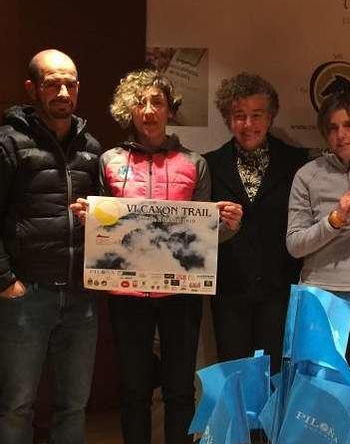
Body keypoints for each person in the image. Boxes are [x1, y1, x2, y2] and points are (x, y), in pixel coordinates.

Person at [71, 69, 242, 444]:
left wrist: (229, 224)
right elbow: (103, 231)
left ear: (170, 110)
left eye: (157, 102)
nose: (148, 110)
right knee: (133, 391)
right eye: (140, 102)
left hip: (180, 294)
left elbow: (206, 237)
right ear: (128, 110)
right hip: (127, 294)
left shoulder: (194, 164)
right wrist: (89, 219)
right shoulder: (109, 161)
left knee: (180, 389)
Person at [0, 49, 101, 443]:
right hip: (25, 295)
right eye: (52, 83)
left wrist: (95, 216)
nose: (63, 91)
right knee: (16, 405)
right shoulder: (8, 143)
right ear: (32, 88)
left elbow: (106, 218)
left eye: (70, 84)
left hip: (81, 296)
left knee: (74, 405)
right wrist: (6, 279)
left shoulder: (91, 146)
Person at [286, 92, 350, 389]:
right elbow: (295, 245)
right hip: (321, 298)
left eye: (348, 125)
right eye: (332, 127)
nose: (341, 134)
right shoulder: (306, 175)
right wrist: (336, 219)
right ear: (324, 132)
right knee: (314, 396)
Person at [205, 72, 307, 374]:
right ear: (227, 119)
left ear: (271, 116)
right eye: (239, 116)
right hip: (229, 291)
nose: (248, 125)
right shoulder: (209, 164)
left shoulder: (296, 162)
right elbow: (197, 233)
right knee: (234, 378)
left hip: (279, 290)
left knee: (275, 377)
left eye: (256, 115)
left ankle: (268, 426)